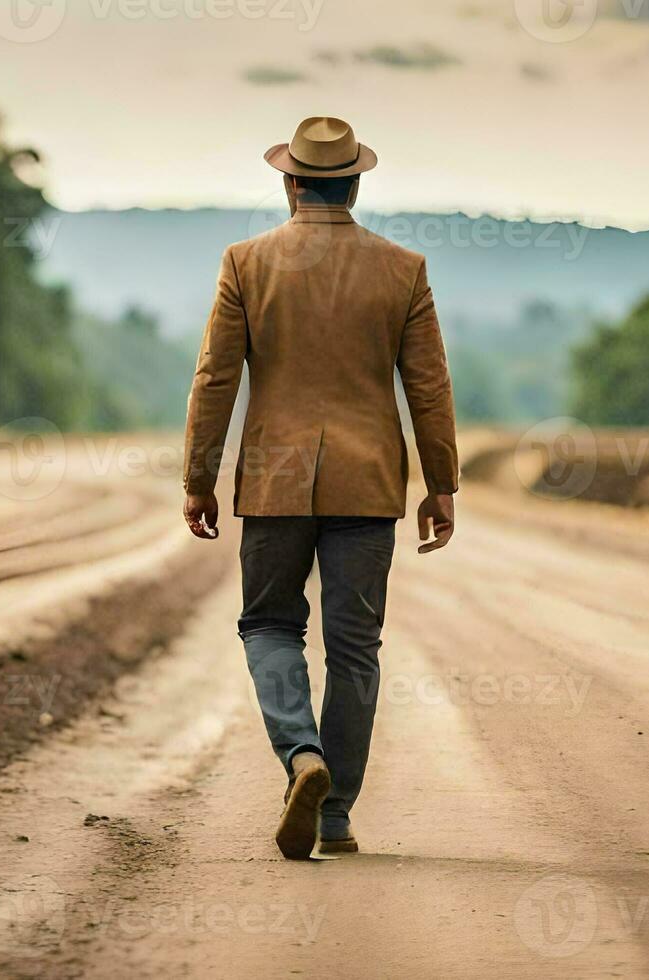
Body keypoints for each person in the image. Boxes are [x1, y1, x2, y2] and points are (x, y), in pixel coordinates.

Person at [181, 116, 459, 860]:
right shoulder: (403, 269)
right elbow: (428, 386)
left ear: (290, 181)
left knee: (270, 626)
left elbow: (215, 377)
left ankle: (301, 756)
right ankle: (333, 815)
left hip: (273, 482)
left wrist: (199, 479)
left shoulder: (246, 261)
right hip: (367, 486)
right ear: (357, 183)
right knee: (354, 647)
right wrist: (441, 485)